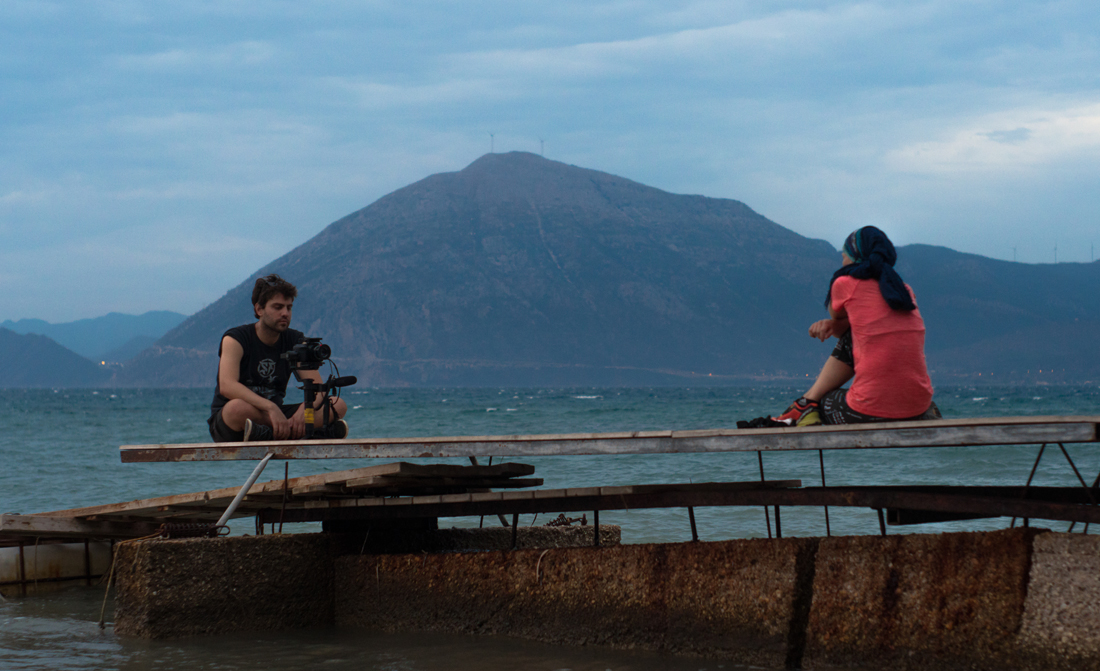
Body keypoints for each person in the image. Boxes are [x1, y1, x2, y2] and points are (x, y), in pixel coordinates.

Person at [774, 226, 939, 426]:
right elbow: (865, 324)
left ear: (853, 257)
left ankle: (806, 405)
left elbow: (838, 315)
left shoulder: (845, 283)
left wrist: (832, 324)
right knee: (854, 335)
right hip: (919, 406)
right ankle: (803, 404)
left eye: (844, 256)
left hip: (868, 410)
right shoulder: (904, 291)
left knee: (824, 401)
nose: (842, 261)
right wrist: (835, 326)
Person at [207, 274, 348, 442]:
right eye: (278, 307)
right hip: (236, 419)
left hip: (276, 416)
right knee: (235, 408)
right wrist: (270, 407)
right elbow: (227, 386)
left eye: (289, 308)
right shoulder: (236, 338)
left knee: (337, 403)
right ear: (259, 309)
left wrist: (304, 411)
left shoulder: (295, 340)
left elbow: (318, 389)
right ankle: (306, 432)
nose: (285, 313)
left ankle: (278, 432)